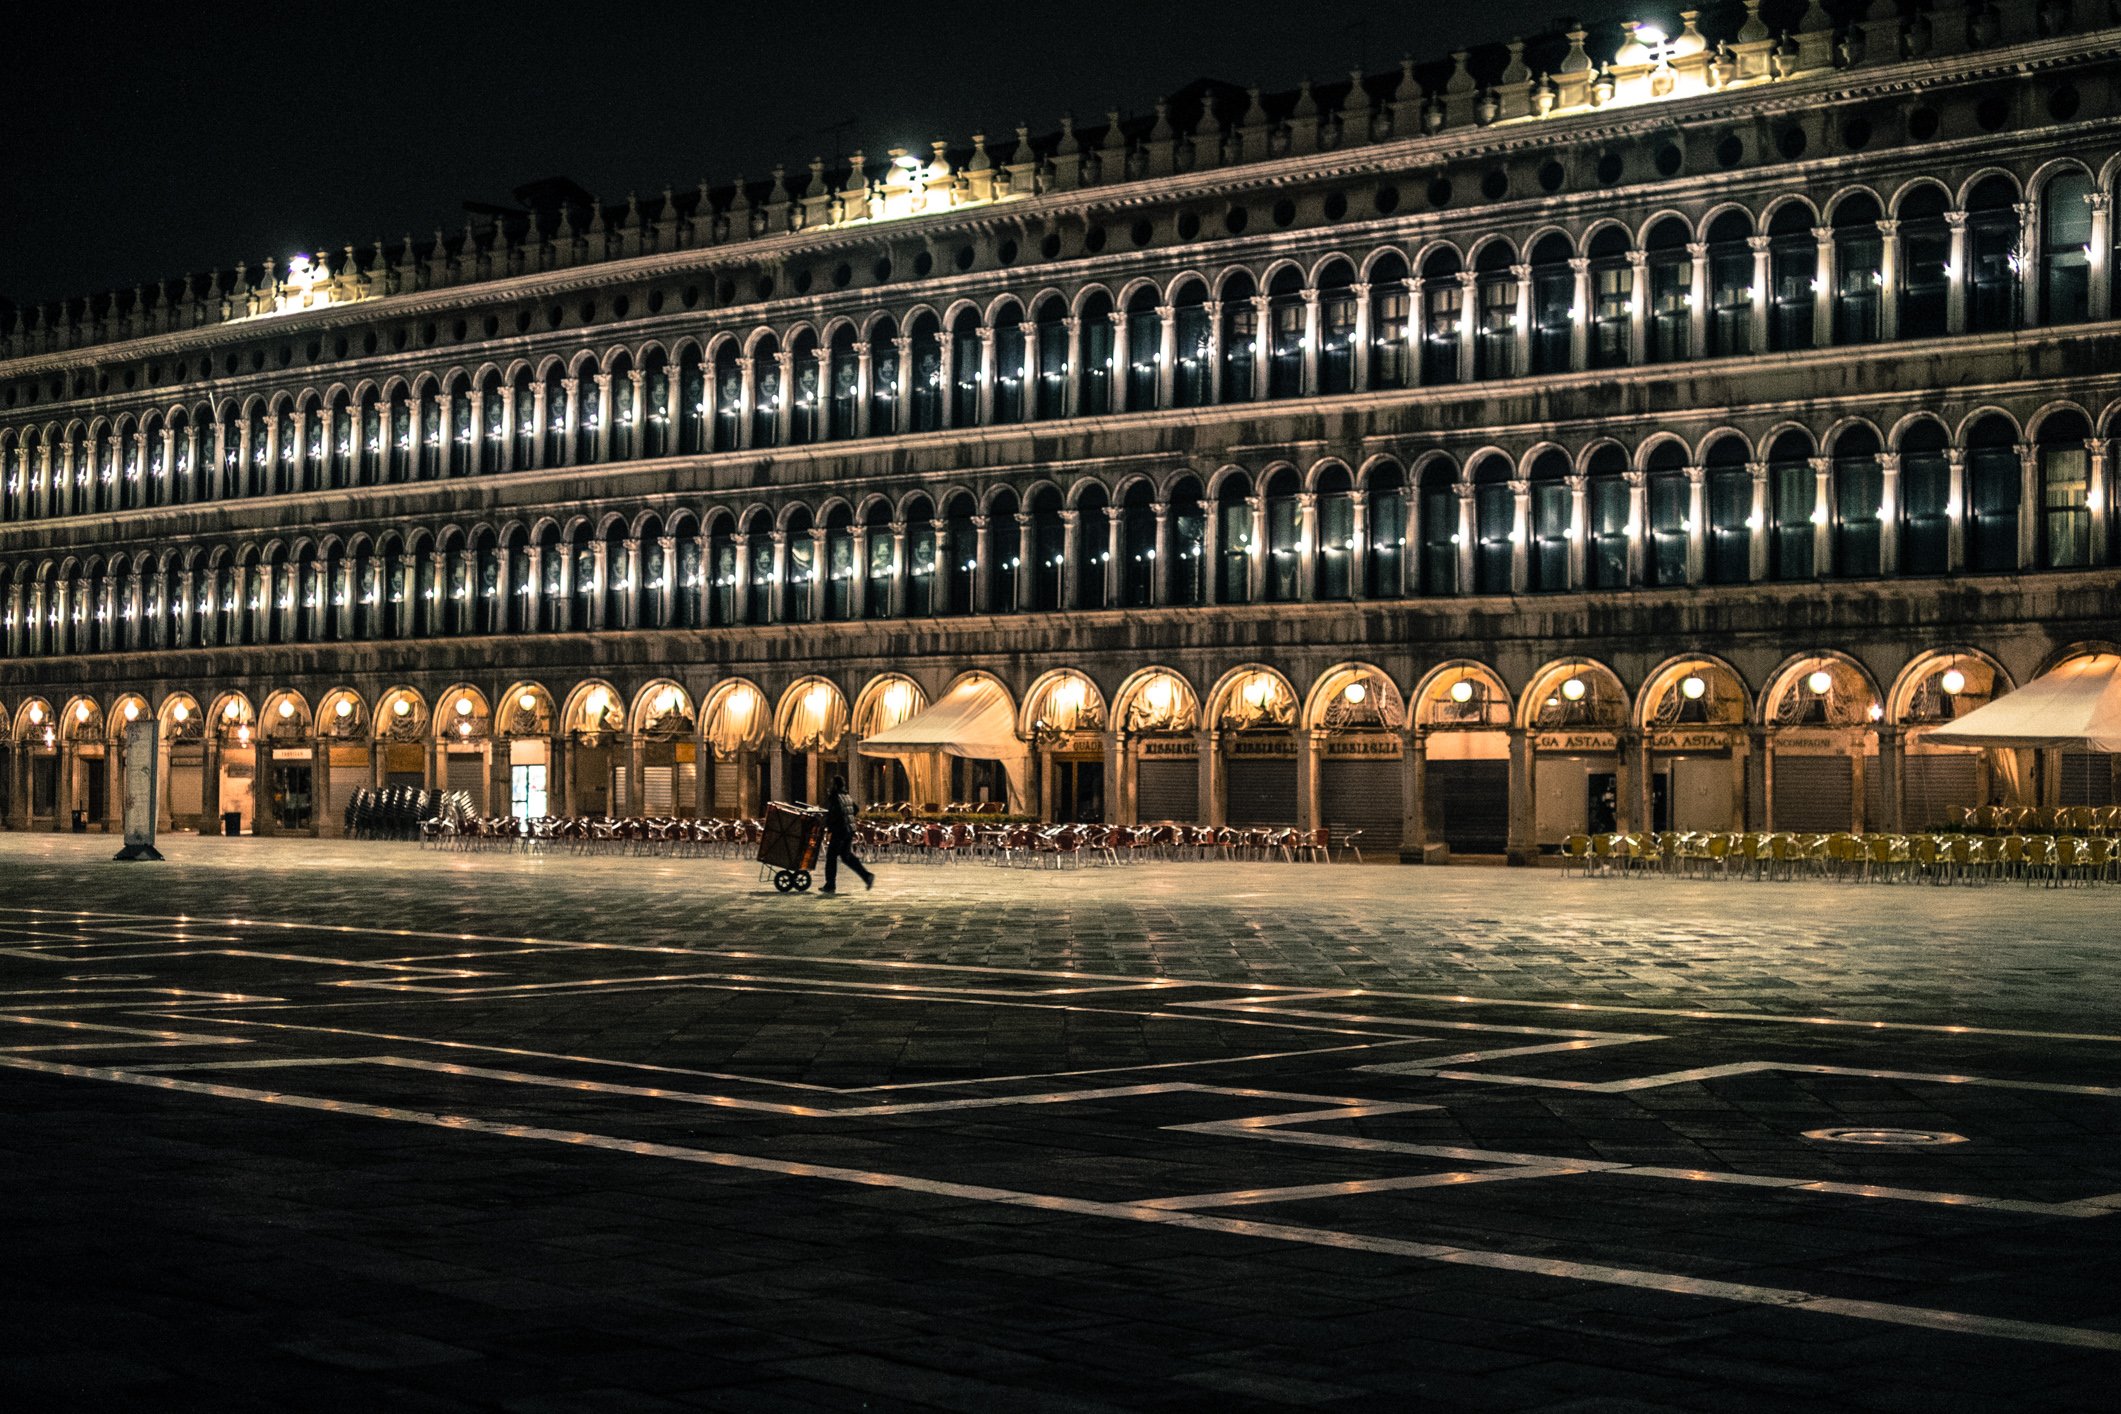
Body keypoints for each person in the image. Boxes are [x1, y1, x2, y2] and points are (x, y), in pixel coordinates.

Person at [820, 775, 874, 895]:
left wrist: (828, 825)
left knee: (831, 857)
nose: (829, 786)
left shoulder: (835, 797)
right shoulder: (846, 796)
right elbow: (855, 809)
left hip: (839, 830)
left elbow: (834, 814)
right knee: (846, 856)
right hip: (849, 830)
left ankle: (830, 885)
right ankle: (867, 876)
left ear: (835, 785)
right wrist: (848, 818)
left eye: (831, 783)